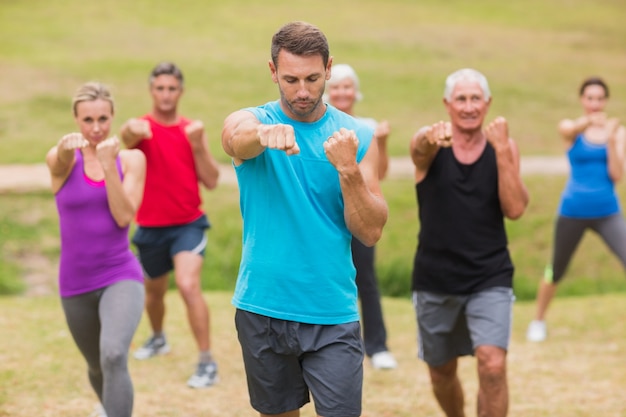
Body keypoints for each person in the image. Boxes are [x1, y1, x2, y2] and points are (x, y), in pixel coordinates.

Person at [221, 21, 388, 417]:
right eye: (291, 79)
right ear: (273, 71)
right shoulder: (253, 120)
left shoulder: (358, 136)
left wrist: (348, 171)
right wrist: (261, 136)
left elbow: (370, 231)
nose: (302, 91)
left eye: (313, 78)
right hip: (263, 307)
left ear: (329, 69)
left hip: (332, 312)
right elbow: (233, 137)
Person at [409, 68, 529, 417]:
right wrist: (427, 137)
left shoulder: (502, 147)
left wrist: (504, 149)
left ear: (488, 103)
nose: (468, 106)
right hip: (435, 277)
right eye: (461, 98)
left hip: (489, 275)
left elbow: (516, 208)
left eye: (476, 98)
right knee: (441, 372)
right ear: (447, 104)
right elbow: (417, 148)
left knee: (492, 366)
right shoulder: (433, 147)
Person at [46, 81, 147, 417]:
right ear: (76, 120)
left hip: (120, 274)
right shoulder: (62, 160)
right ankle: (109, 408)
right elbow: (58, 159)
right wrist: (64, 148)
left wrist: (107, 165)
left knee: (114, 354)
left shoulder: (132, 160)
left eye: (103, 118)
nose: (96, 127)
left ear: (113, 116)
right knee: (96, 366)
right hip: (75, 282)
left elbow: (123, 216)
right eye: (87, 120)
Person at [120, 62, 221, 388]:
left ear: (181, 91)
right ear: (152, 91)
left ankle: (207, 362)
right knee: (154, 293)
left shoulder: (192, 130)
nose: (166, 94)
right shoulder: (140, 130)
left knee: (188, 285)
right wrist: (130, 133)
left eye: (172, 88)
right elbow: (125, 136)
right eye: (160, 88)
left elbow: (212, 180)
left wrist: (195, 144)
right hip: (149, 227)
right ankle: (159, 337)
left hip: (188, 225)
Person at [526, 77, 626, 342]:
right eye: (590, 98)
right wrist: (590, 122)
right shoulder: (571, 129)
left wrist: (612, 140)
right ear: (582, 100)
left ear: (606, 101)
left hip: (607, 211)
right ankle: (538, 321)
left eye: (599, 98)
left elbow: (617, 175)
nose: (595, 103)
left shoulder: (618, 132)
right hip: (573, 210)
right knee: (556, 269)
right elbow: (568, 129)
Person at [324, 63, 396, 370]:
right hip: (328, 216)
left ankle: (377, 346)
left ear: (356, 91)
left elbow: (381, 174)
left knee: (366, 279)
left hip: (360, 213)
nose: (342, 92)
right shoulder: (321, 123)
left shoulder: (367, 127)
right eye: (336, 86)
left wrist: (384, 142)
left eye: (347, 86)